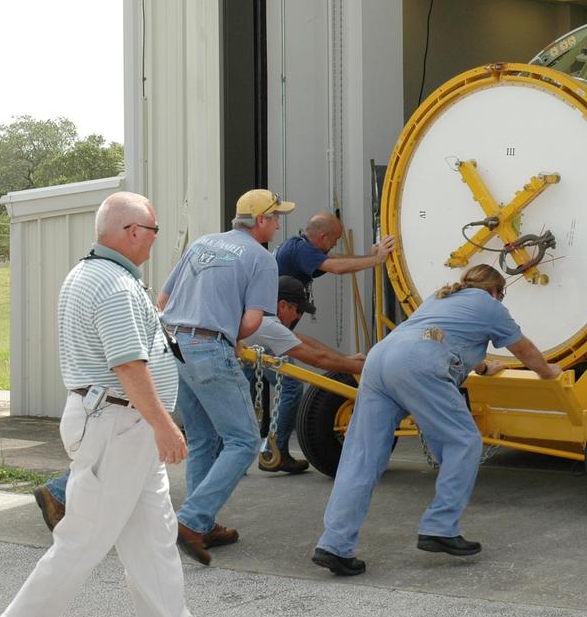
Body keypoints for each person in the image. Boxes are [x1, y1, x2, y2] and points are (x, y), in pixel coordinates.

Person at [31, 275, 367, 533]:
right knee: (223, 440)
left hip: (174, 362)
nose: (297, 318)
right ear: (283, 305)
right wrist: (354, 365)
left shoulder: (244, 310)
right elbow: (310, 352)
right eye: (297, 311)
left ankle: (195, 523)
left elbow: (300, 342)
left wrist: (345, 358)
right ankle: (64, 491)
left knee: (198, 440)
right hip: (177, 372)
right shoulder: (263, 322)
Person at [0, 192, 193, 617]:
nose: (154, 240)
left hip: (124, 424)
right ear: (133, 231)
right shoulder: (113, 284)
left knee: (154, 544)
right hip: (119, 422)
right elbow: (127, 363)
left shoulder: (97, 275)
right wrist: (164, 426)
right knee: (81, 543)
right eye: (153, 231)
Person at [312, 264, 561, 576]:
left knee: (361, 457)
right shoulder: (490, 305)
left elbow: (440, 336)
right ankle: (440, 526)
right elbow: (523, 348)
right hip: (418, 364)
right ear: (496, 291)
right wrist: (547, 372)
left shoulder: (440, 297)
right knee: (464, 441)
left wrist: (483, 367)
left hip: (380, 360)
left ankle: (334, 545)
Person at [158, 188, 294, 565]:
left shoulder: (202, 243)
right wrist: (224, 335)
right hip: (209, 350)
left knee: (202, 438)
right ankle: (191, 520)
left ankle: (204, 522)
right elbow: (252, 320)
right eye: (276, 217)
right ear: (261, 221)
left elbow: (164, 302)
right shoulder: (262, 259)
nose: (280, 224)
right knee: (244, 441)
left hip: (173, 348)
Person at [261, 212, 396, 473]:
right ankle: (271, 450)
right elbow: (335, 267)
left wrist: (370, 258)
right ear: (322, 236)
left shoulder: (299, 249)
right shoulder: (300, 250)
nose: (335, 244)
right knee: (289, 385)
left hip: (267, 333)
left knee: (250, 381)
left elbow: (334, 260)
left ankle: (245, 447)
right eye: (334, 238)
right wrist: (375, 260)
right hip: (265, 334)